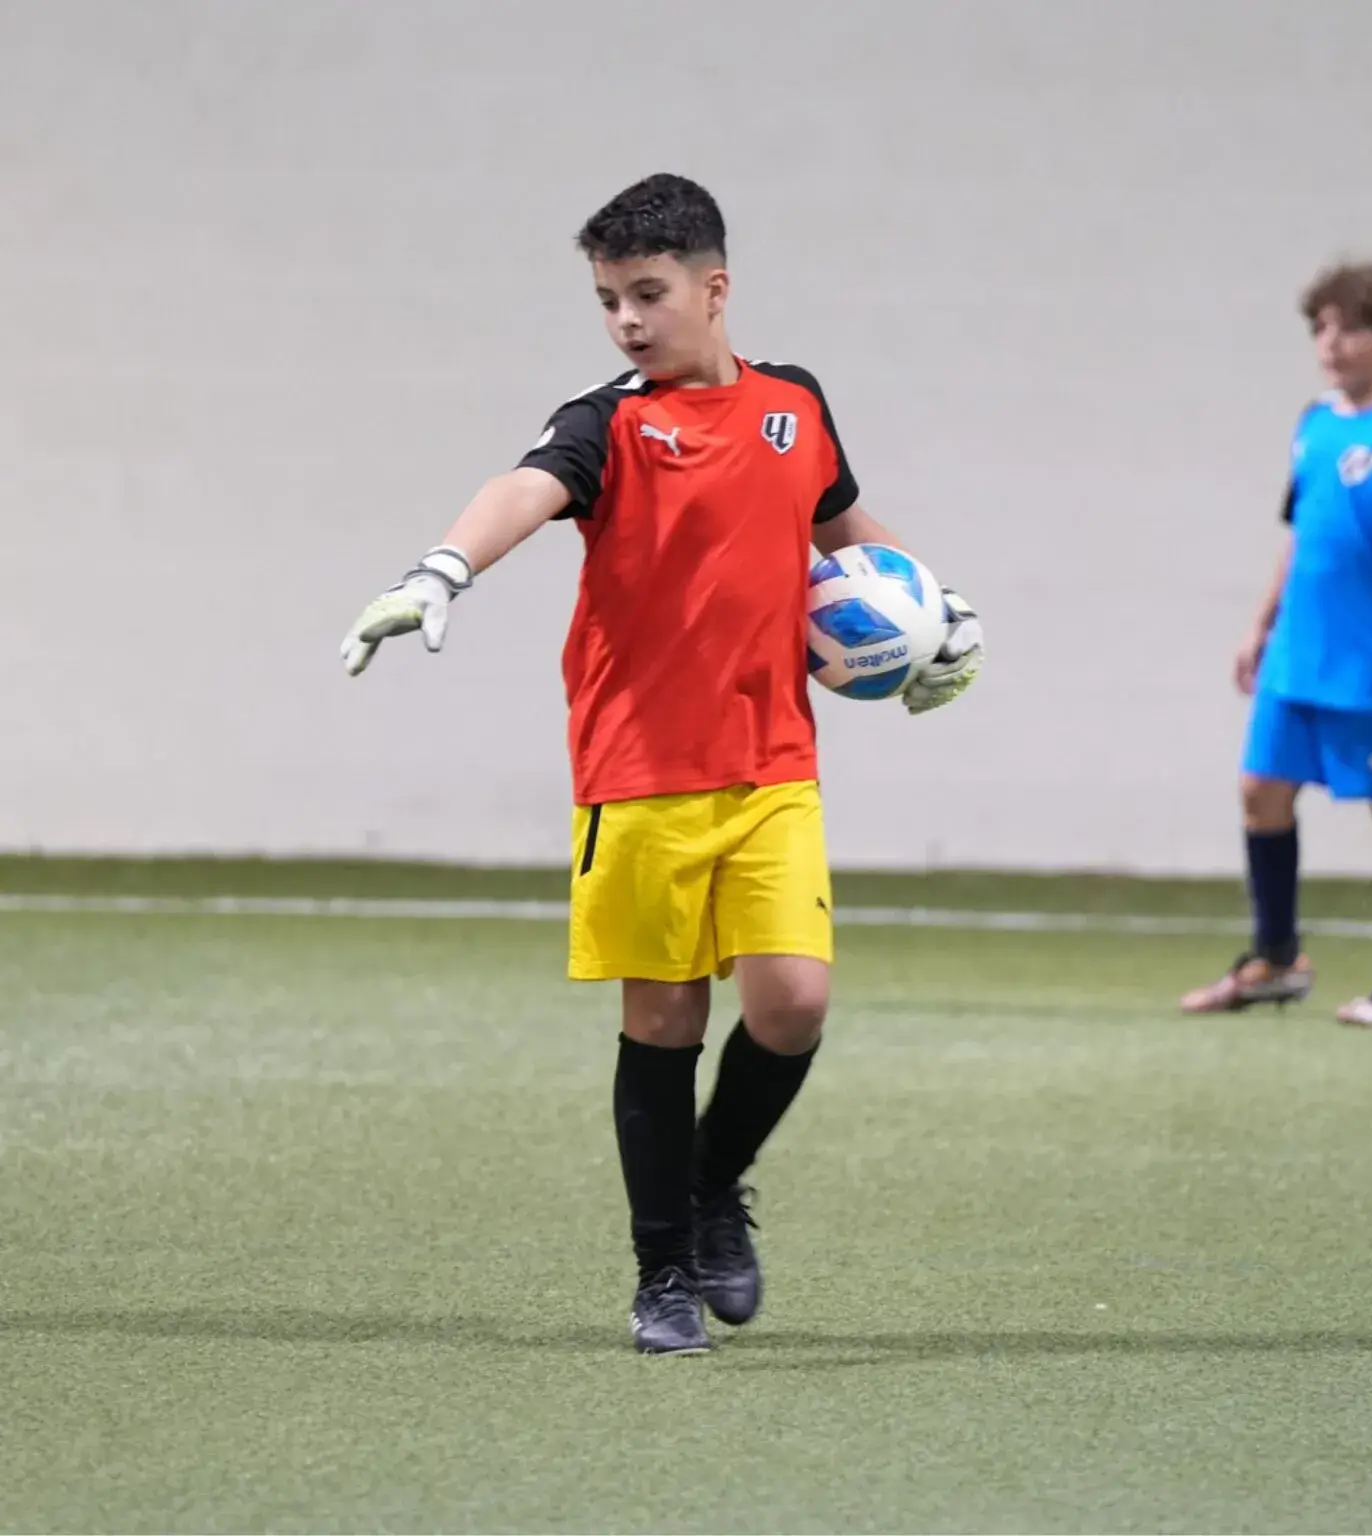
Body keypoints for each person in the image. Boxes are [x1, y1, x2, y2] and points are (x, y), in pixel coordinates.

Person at [339, 173, 984, 1353]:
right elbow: (522, 491)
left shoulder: (795, 403)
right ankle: (662, 1276)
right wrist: (441, 568)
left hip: (772, 763)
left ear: (714, 287)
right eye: (607, 299)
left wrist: (946, 610)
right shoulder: (607, 420)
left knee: (792, 1005)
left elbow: (840, 525)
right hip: (638, 772)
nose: (628, 320)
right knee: (666, 1022)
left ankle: (709, 1185)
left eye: (648, 293)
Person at [1181, 261, 1372, 1027]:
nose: (1330, 343)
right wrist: (1261, 622)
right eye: (1321, 328)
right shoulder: (1313, 422)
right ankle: (1275, 959)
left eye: (1350, 328)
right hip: (1297, 654)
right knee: (1260, 791)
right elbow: (1304, 534)